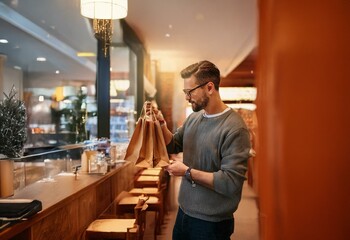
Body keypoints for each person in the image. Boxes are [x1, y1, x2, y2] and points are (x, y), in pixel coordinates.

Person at [152, 60, 252, 240]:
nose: (187, 97)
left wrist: (187, 172)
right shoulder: (194, 118)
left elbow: (230, 182)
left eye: (190, 91)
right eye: (185, 92)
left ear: (210, 87)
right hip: (184, 213)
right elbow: (173, 144)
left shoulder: (235, 128)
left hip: (211, 223)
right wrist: (161, 124)